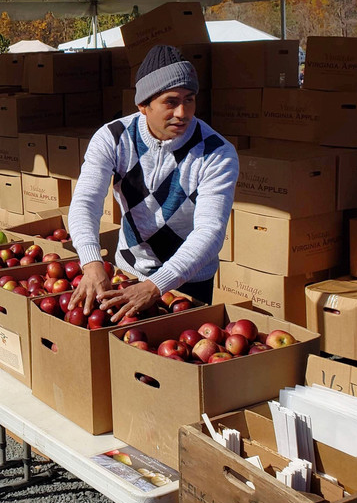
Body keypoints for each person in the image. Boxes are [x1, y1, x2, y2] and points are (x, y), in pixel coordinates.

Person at [67, 45, 238, 321]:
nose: (183, 112)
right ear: (143, 105)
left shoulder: (216, 152)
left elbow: (210, 231)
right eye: (171, 101)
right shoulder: (113, 138)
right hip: (129, 271)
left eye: (190, 99)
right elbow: (85, 203)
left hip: (187, 282)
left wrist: (157, 285)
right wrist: (91, 262)